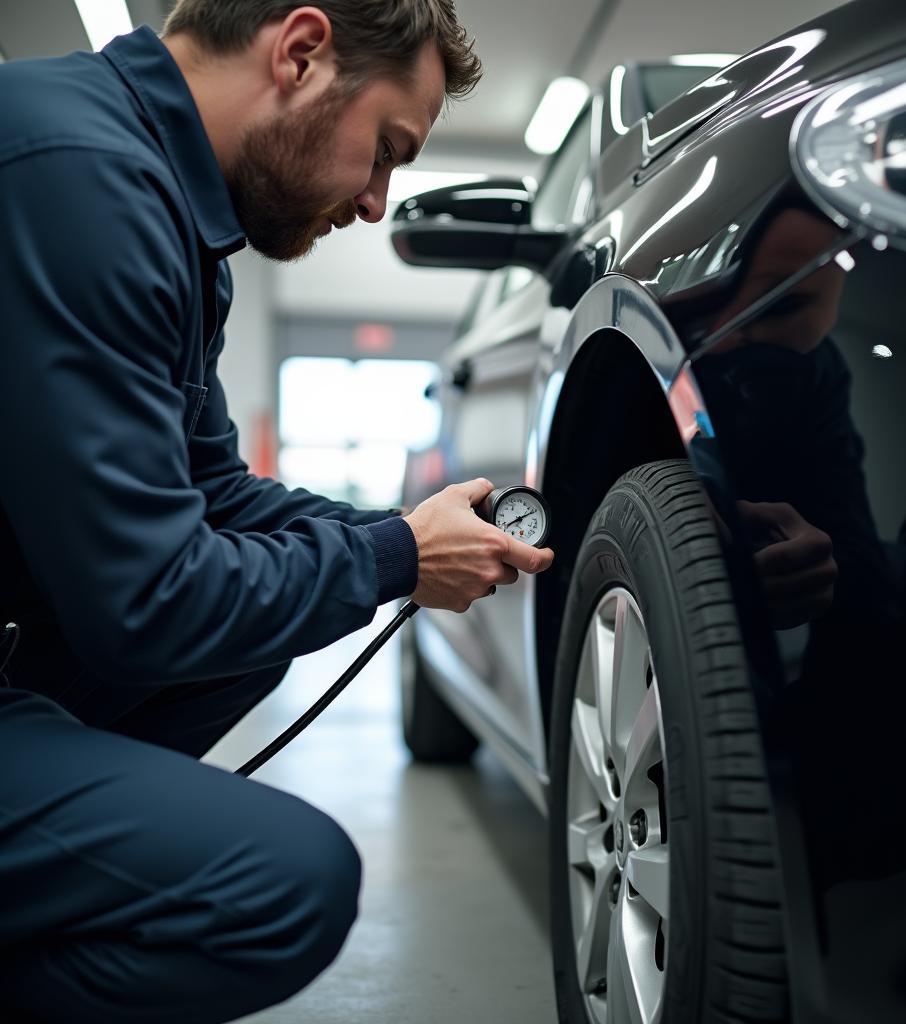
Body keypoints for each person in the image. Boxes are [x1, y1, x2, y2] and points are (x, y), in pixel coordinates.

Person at [0, 3, 554, 1021]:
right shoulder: (78, 177)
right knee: (286, 885)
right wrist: (392, 558)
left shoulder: (160, 203)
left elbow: (214, 492)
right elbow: (152, 602)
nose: (381, 203)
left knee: (250, 640)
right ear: (301, 54)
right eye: (386, 151)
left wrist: (390, 528)